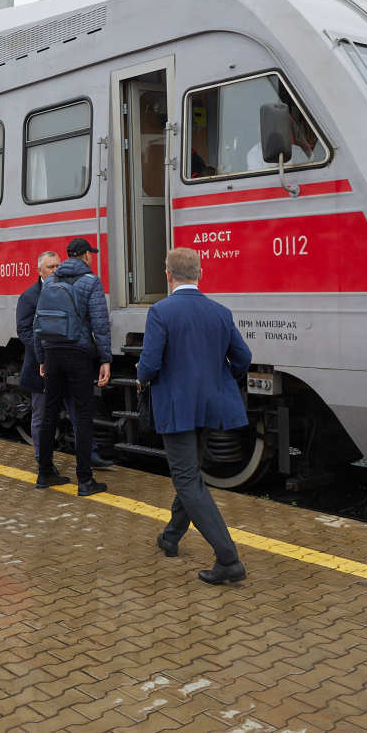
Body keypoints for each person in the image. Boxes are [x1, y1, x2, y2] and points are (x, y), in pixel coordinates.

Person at [135, 247, 251, 585]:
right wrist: (221, 379)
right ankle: (171, 535)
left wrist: (142, 378)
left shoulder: (160, 312)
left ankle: (228, 559)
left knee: (186, 479)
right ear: (200, 273)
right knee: (191, 475)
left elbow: (151, 363)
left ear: (167, 275)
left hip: (177, 407)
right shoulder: (220, 312)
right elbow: (242, 357)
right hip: (211, 405)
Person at [15, 250, 112, 470]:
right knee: (41, 415)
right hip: (44, 366)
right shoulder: (30, 296)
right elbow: (24, 331)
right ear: (39, 270)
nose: (56, 270)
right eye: (51, 267)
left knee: (79, 413)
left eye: (58, 266)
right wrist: (46, 350)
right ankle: (43, 459)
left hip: (65, 362)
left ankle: (89, 455)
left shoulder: (68, 290)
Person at [33, 237, 111, 496]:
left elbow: (39, 323)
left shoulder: (52, 281)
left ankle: (44, 472)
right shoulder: (91, 281)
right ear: (86, 256)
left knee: (49, 413)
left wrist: (42, 357)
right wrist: (105, 359)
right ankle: (85, 480)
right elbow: (100, 324)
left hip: (53, 352)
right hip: (78, 354)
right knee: (83, 415)